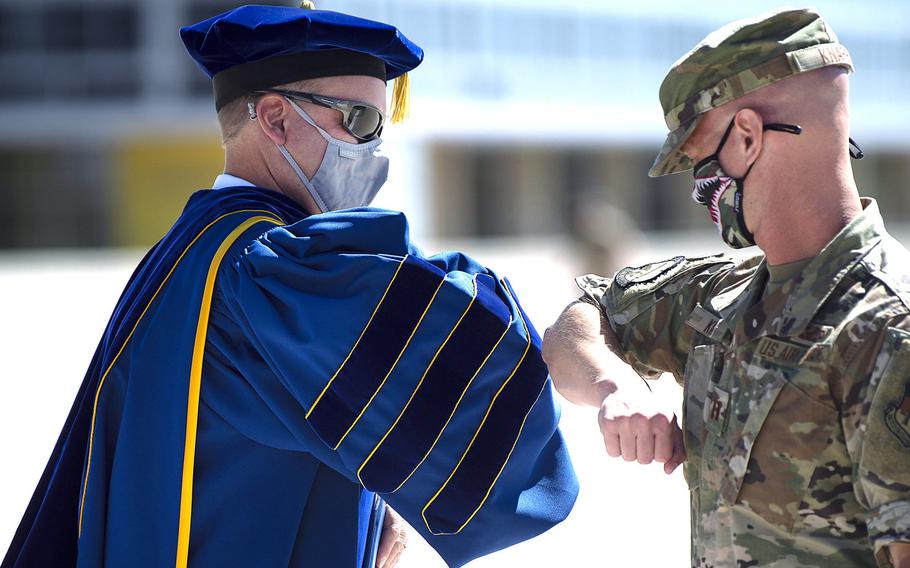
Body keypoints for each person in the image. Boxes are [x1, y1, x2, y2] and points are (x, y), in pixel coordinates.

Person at [2, 4, 577, 567]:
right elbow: (469, 353)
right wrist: (601, 326)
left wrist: (376, 510)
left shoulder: (191, 245)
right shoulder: (267, 271)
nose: (372, 150)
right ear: (275, 118)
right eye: (359, 121)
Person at [543, 7, 910, 568]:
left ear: (745, 136)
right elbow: (585, 315)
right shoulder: (722, 296)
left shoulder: (888, 329)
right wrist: (613, 386)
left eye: (698, 161)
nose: (701, 187)